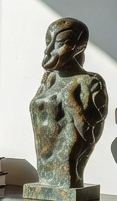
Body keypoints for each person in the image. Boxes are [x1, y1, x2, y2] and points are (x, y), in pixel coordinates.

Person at [29, 18, 108, 190]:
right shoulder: (48, 79)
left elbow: (89, 134)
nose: (49, 50)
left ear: (79, 47)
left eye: (59, 43)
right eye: (48, 43)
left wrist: (70, 100)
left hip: (68, 171)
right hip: (44, 171)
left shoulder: (90, 81)